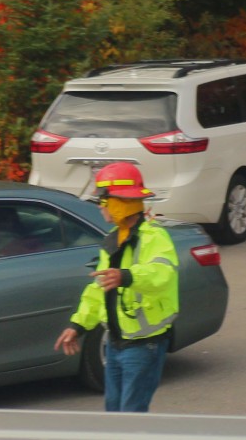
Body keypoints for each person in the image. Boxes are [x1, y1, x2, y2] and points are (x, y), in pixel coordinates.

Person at [55, 161, 181, 413]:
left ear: (119, 203)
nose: (101, 208)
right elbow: (98, 288)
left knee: (130, 417)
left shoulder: (154, 238)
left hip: (144, 346)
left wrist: (126, 276)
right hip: (114, 344)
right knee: (114, 414)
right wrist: (77, 325)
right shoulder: (113, 239)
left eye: (104, 201)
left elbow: (162, 274)